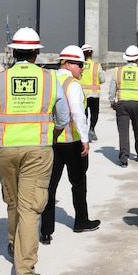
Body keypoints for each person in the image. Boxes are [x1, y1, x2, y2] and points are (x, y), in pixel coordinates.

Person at [0, 27, 74, 275]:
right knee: (30, 207)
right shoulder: (49, 80)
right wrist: (53, 134)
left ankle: (16, 245)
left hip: (4, 150)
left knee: (13, 203)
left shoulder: (0, 80)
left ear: (13, 52)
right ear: (36, 53)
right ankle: (24, 271)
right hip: (38, 150)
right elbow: (62, 115)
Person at [41, 45, 98, 244]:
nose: (83, 68)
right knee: (78, 182)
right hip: (71, 141)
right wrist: (85, 138)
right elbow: (76, 113)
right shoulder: (71, 84)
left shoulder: (48, 81)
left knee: (50, 185)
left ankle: (46, 231)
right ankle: (81, 221)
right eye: (80, 64)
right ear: (68, 64)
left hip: (51, 141)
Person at [109, 44, 138, 167]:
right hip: (137, 104)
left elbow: (112, 89)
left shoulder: (118, 71)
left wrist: (112, 101)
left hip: (122, 103)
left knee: (123, 131)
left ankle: (124, 158)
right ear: (137, 59)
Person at [80, 44, 106, 142]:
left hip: (82, 95)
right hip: (94, 94)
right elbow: (102, 79)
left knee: (84, 114)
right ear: (92, 54)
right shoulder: (96, 65)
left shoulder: (80, 65)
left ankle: (84, 130)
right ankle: (92, 129)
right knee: (94, 113)